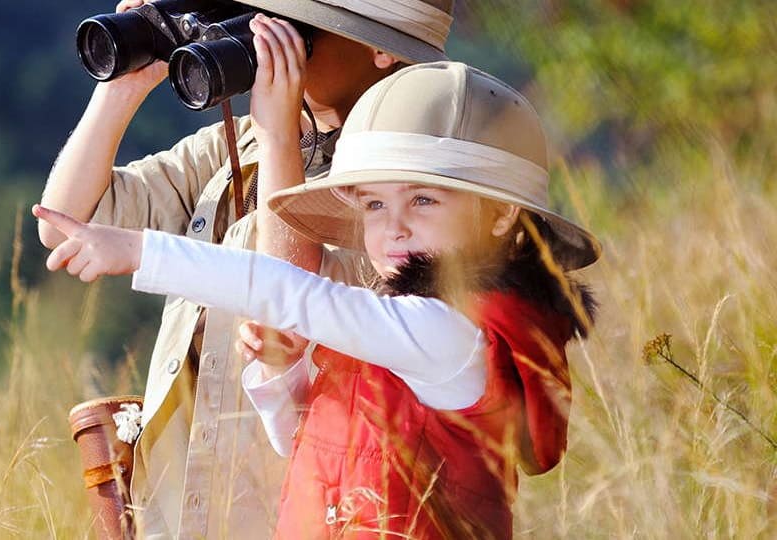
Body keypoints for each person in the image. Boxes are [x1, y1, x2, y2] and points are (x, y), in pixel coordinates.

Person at [34, 61, 601, 538]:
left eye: (424, 201)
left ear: (501, 214)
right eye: (373, 206)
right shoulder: (398, 325)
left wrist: (139, 251)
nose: (393, 228)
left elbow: (293, 293)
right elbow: (299, 442)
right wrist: (281, 375)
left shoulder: (452, 331)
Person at [39, 1, 456, 536]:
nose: (269, 37)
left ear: (380, 48)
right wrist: (126, 81)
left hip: (291, 506)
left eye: (300, 30)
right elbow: (66, 225)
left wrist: (280, 133)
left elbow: (286, 300)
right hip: (180, 498)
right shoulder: (243, 145)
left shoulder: (403, 190)